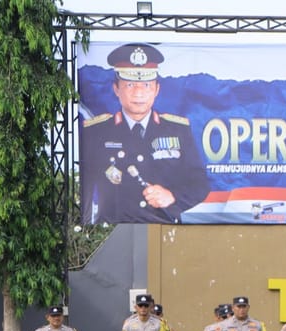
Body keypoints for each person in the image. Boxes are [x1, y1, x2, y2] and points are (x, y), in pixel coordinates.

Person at [81, 43, 210, 224]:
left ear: (157, 89)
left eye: (146, 85)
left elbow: (200, 184)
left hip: (165, 230)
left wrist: (173, 197)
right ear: (116, 89)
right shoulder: (95, 132)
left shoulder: (178, 130)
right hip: (112, 232)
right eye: (130, 84)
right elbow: (82, 185)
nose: (139, 93)